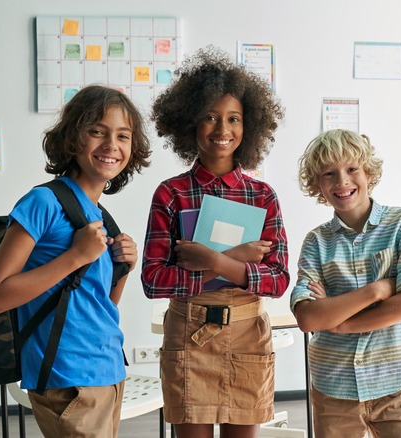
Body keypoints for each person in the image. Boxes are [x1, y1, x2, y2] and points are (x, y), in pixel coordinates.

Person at [0, 84, 152, 437]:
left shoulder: (100, 215)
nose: (111, 145)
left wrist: (122, 272)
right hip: (67, 376)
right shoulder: (43, 202)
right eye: (97, 132)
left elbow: (96, 306)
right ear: (73, 138)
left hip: (107, 370)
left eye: (123, 135)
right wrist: (76, 256)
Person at [141, 46, 289, 438]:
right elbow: (153, 281)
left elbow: (278, 280)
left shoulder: (263, 196)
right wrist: (239, 261)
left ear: (249, 125)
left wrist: (216, 261)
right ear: (188, 123)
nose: (222, 130)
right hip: (189, 337)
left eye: (233, 119)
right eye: (210, 117)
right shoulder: (171, 194)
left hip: (248, 337)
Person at [290, 129, 401, 438]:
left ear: (368, 172)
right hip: (333, 387)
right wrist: (377, 290)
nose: (342, 181)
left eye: (352, 169)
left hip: (394, 384)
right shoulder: (316, 242)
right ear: (318, 185)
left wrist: (339, 320)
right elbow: (309, 318)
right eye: (329, 174)